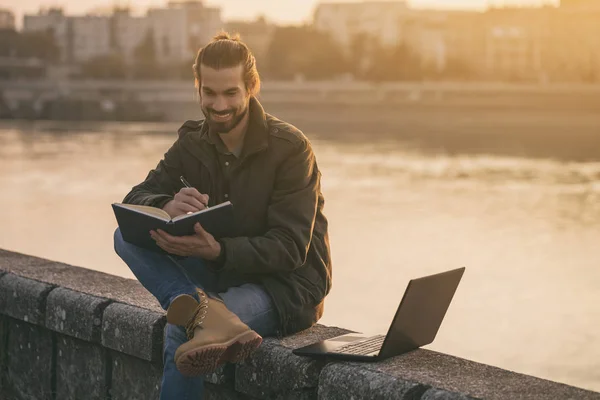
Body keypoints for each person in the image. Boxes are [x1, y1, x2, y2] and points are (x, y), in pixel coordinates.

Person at [113, 32, 332, 399]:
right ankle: (206, 311)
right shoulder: (192, 141)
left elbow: (290, 248)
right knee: (125, 235)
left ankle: (202, 315)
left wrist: (218, 251)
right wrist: (165, 205)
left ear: (252, 87)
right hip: (219, 274)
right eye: (209, 93)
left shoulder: (291, 150)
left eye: (230, 93)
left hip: (283, 287)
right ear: (198, 88)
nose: (219, 105)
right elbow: (135, 197)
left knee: (182, 329)